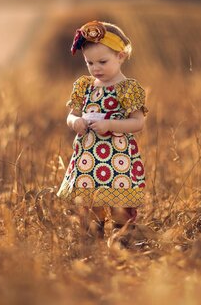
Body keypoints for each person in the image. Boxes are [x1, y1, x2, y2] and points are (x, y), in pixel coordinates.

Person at [56, 20, 147, 239]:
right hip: (89, 158)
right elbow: (72, 114)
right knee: (90, 203)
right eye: (90, 63)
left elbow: (138, 123)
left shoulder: (128, 88)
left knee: (120, 204)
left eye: (102, 62)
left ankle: (121, 241)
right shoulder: (85, 86)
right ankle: (92, 243)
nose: (95, 68)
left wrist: (110, 124)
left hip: (117, 159)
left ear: (120, 56)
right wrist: (74, 122)